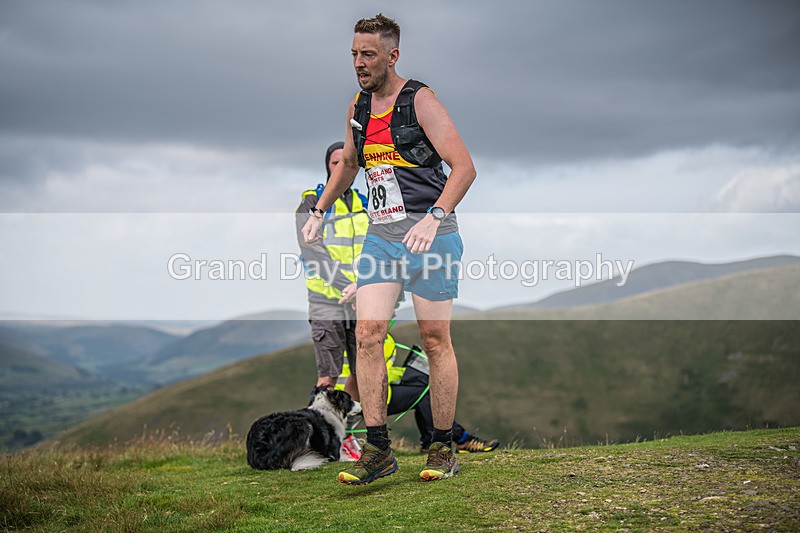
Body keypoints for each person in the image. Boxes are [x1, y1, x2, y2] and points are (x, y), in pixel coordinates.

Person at [302, 14, 477, 485]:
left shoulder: (420, 100)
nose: (359, 64)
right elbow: (350, 167)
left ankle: (442, 447)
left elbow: (463, 168)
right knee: (368, 333)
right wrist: (320, 209)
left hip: (432, 234)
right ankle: (378, 450)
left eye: (369, 55)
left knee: (435, 339)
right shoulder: (357, 107)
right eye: (354, 55)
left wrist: (434, 218)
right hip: (382, 237)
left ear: (392, 56)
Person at [336, 333, 499, 455]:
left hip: (348, 396)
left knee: (424, 387)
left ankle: (442, 441)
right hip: (361, 398)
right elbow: (369, 375)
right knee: (426, 392)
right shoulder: (374, 336)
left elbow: (379, 372)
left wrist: (409, 375)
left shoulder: (354, 331)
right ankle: (458, 440)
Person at [295, 142, 368, 398]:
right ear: (327, 165)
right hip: (327, 300)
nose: (340, 167)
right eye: (335, 162)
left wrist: (364, 288)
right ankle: (319, 436)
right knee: (329, 374)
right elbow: (312, 252)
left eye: (345, 162)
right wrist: (348, 287)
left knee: (364, 371)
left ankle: (345, 434)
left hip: (362, 299)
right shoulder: (312, 202)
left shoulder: (366, 203)